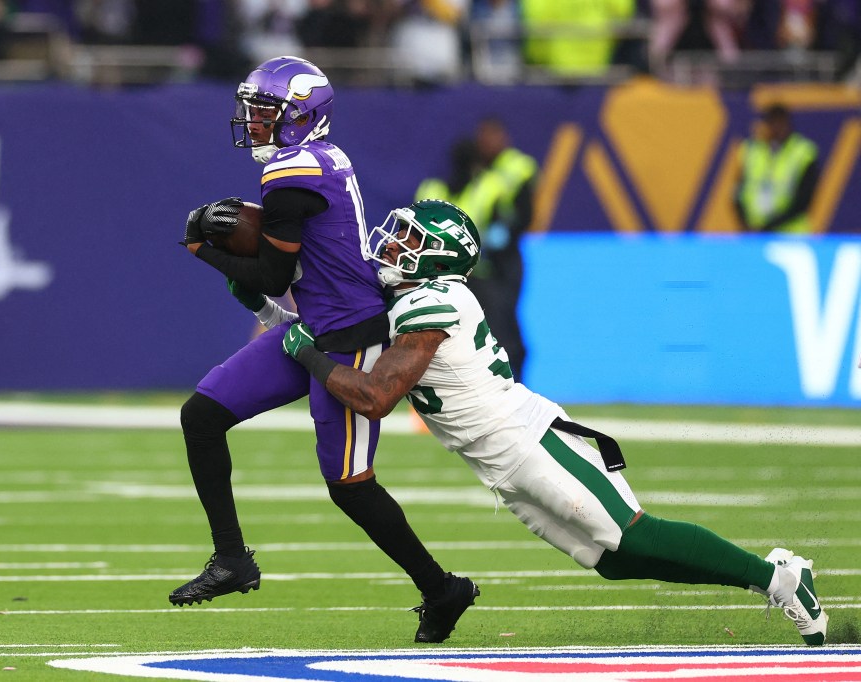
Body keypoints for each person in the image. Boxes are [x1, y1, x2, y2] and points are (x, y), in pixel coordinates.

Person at [280, 199, 829, 647]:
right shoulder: (411, 298)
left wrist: (307, 353)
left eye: (410, 240)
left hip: (530, 440)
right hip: (498, 461)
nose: (393, 246)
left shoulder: (436, 299)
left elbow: (375, 398)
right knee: (614, 563)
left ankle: (779, 579)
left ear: (439, 260)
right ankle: (775, 576)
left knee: (636, 532)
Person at [172, 56, 477, 644]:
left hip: (351, 334)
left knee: (348, 484)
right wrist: (231, 224)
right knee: (202, 415)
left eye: (265, 111)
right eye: (253, 109)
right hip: (316, 321)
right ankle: (232, 559)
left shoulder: (291, 173)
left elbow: (269, 271)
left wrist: (200, 247)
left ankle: (442, 589)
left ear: (299, 115)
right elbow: (288, 244)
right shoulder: (314, 157)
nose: (253, 121)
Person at [415, 117, 536, 380]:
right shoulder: (489, 187)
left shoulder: (432, 188)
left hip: (447, 277)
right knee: (501, 331)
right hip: (480, 273)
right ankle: (510, 382)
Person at [733, 103, 820, 235]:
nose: (777, 128)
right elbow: (738, 193)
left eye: (780, 123)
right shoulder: (751, 151)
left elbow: (803, 202)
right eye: (772, 123)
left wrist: (768, 227)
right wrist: (746, 225)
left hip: (791, 236)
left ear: (788, 124)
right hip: (755, 235)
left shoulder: (803, 153)